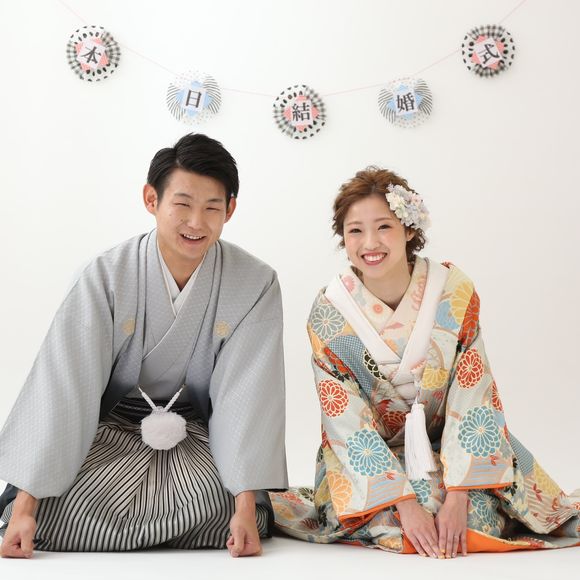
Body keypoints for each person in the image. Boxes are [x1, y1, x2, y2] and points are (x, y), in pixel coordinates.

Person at [0, 133, 288, 558]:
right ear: (151, 199)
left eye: (212, 208)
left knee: (219, 502)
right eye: (182, 204)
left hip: (198, 434)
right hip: (108, 429)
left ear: (230, 209)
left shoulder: (254, 282)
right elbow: (65, 387)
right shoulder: (105, 275)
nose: (196, 222)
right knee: (59, 508)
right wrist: (27, 505)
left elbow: (247, 399)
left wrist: (245, 505)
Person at [270, 167, 579, 556]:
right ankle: (404, 507)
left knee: (474, 516)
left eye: (384, 227)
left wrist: (459, 495)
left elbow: (473, 392)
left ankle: (458, 500)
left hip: (449, 446)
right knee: (394, 519)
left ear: (409, 229)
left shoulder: (451, 292)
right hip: (373, 456)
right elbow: (344, 420)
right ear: (343, 238)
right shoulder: (330, 312)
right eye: (355, 231)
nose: (370, 243)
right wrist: (404, 503)